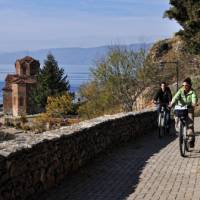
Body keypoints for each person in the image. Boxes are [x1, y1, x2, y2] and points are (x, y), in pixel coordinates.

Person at [170, 77, 198, 148]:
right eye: (183, 85)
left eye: (186, 85)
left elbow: (194, 98)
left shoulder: (192, 92)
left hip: (189, 109)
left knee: (190, 124)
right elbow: (175, 97)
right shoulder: (180, 91)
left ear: (189, 85)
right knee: (176, 119)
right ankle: (180, 132)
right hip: (181, 108)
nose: (184, 87)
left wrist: (194, 103)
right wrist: (171, 104)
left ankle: (191, 140)